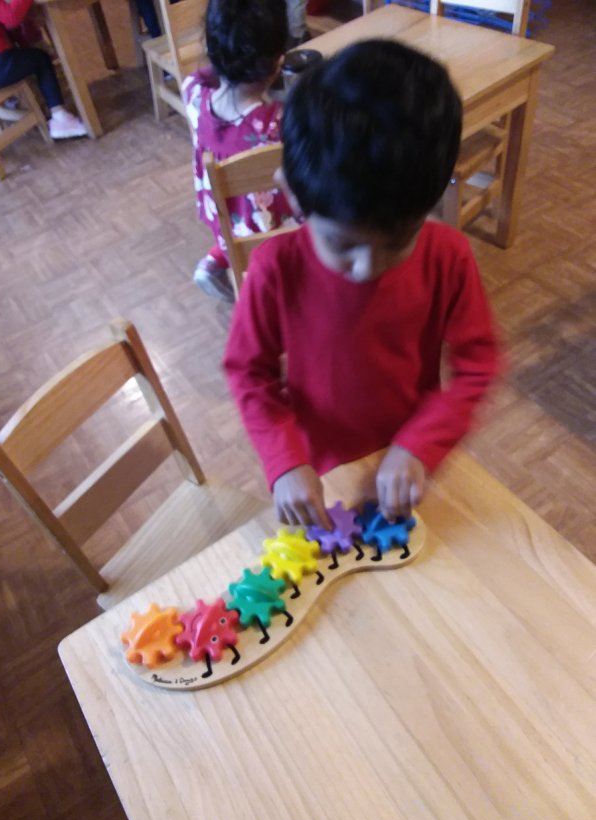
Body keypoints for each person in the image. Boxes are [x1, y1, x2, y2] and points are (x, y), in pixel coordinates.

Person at [223, 39, 501, 529]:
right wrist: (284, 460)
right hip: (319, 470)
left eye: (398, 241)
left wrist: (421, 442)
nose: (368, 267)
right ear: (292, 194)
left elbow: (479, 363)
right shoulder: (274, 269)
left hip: (407, 462)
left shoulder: (449, 256)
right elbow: (249, 372)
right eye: (343, 244)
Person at [181, 0, 296, 301]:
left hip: (225, 217)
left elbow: (207, 73)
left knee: (237, 221)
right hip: (274, 232)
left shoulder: (193, 92)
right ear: (277, 63)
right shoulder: (278, 124)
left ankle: (217, 259)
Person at [0, 0, 87, 140]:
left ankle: (15, 103)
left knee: (25, 52)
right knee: (41, 59)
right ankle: (60, 117)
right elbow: (11, 17)